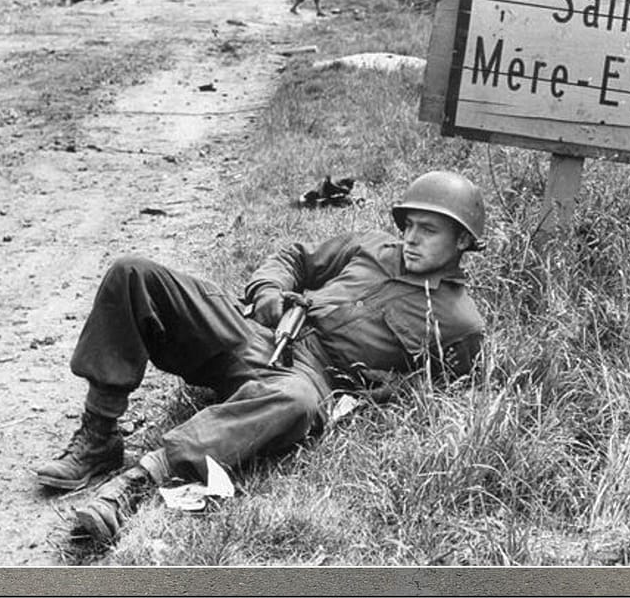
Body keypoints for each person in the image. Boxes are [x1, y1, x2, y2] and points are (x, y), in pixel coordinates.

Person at [35, 170, 488, 544]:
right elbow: (295, 258)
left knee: (296, 402)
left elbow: (442, 392)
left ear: (463, 241)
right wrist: (269, 291)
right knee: (134, 272)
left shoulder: (460, 324)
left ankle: (141, 480)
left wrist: (388, 391)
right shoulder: (372, 246)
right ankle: (99, 435)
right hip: (259, 333)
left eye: (428, 230)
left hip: (309, 377)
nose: (411, 239)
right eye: (409, 225)